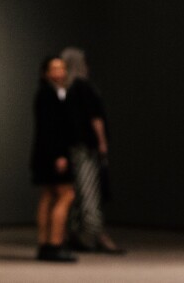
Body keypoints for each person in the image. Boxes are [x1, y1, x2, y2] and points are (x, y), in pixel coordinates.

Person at [60, 46, 124, 254]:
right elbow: (95, 118)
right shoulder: (82, 87)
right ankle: (91, 235)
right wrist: (102, 143)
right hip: (84, 148)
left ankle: (85, 235)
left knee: (82, 191)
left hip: (77, 147)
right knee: (88, 192)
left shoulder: (71, 89)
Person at [31, 56, 78, 262]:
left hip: (46, 152)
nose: (59, 72)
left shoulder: (52, 93)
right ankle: (55, 243)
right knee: (66, 194)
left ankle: (45, 244)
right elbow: (50, 128)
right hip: (53, 153)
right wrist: (58, 155)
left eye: (62, 68)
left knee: (49, 195)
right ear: (46, 72)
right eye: (54, 68)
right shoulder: (48, 95)